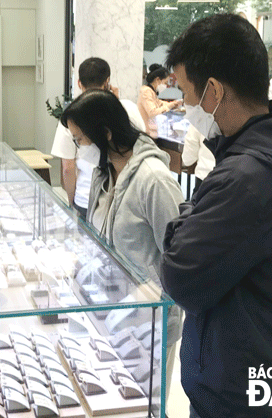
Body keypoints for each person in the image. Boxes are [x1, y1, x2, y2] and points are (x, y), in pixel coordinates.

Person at [162, 14, 272, 418]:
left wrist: (189, 212)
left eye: (188, 93)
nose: (187, 105)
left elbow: (179, 274)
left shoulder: (244, 179)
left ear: (213, 92)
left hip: (238, 391)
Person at [60, 89, 184, 408]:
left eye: (80, 140)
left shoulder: (155, 181)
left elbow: (179, 261)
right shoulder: (104, 174)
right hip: (111, 316)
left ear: (106, 133)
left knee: (145, 408)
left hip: (149, 325)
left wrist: (153, 304)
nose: (79, 149)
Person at [50, 57, 145, 219]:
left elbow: (68, 167)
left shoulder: (73, 116)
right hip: (126, 199)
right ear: (107, 81)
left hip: (86, 197)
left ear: (79, 83)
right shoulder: (128, 108)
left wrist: (72, 201)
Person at [138, 64, 183, 138]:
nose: (166, 86)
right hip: (147, 134)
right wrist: (170, 105)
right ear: (158, 80)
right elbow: (152, 112)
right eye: (165, 83)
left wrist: (174, 104)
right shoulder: (146, 91)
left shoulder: (152, 92)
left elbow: (160, 103)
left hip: (152, 134)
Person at [181, 125, 215, 194]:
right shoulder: (240, 117)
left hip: (205, 180)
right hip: (235, 182)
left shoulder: (200, 116)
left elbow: (188, 159)